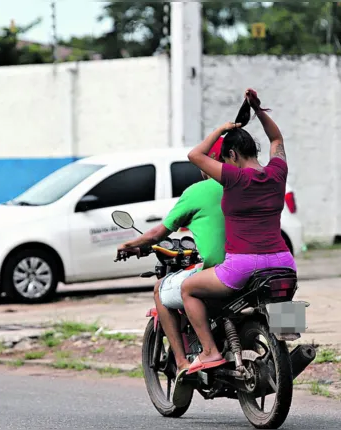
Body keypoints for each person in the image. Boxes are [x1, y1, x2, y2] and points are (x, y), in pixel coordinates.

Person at [182, 88, 296, 375]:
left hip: (243, 264)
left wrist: (221, 129)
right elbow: (277, 139)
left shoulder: (233, 177)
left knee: (188, 289)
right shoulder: (277, 171)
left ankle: (209, 351)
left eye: (224, 157)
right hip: (284, 261)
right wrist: (258, 111)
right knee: (278, 299)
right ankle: (288, 341)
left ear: (231, 154)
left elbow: (195, 154)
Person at [116, 138, 227, 404]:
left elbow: (158, 232)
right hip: (273, 264)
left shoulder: (200, 191)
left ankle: (181, 363)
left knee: (163, 289)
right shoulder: (254, 184)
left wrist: (132, 244)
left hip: (226, 270)